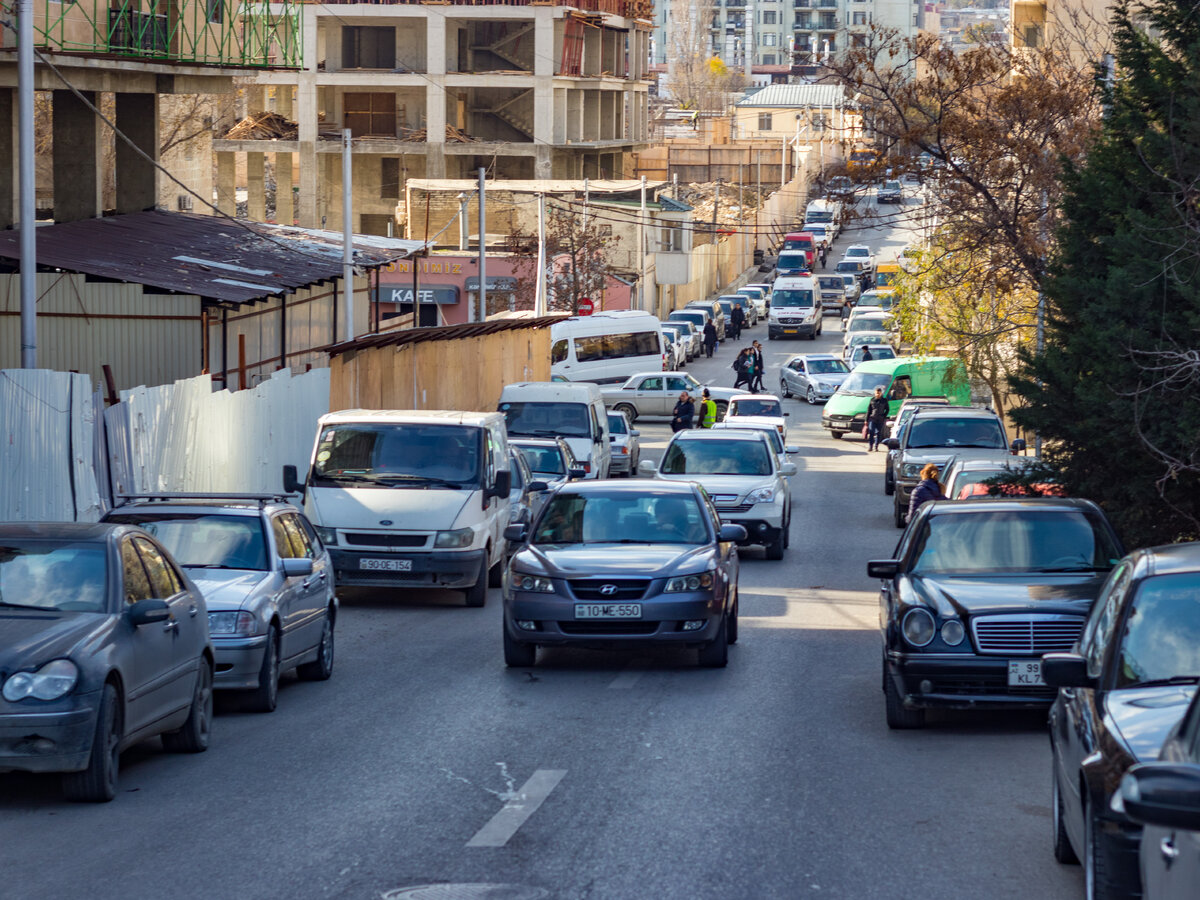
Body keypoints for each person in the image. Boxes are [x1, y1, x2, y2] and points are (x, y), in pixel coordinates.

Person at [866, 385, 889, 451]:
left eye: (879, 393)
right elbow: (869, 410)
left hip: (880, 419)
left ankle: (876, 446)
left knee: (878, 433)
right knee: (871, 432)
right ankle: (870, 446)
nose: (877, 394)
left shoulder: (884, 401)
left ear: (881, 393)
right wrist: (866, 420)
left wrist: (884, 416)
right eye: (876, 393)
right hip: (872, 418)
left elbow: (887, 409)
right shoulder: (872, 400)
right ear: (875, 393)